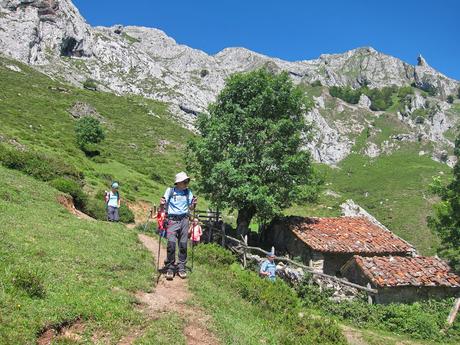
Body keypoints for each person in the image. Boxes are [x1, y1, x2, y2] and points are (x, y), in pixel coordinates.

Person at [160, 172, 197, 280]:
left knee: (183, 244)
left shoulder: (188, 192)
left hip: (184, 220)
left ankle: (181, 267)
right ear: (178, 182)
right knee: (171, 244)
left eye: (187, 181)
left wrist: (194, 204)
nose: (187, 183)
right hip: (172, 220)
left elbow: (191, 208)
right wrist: (162, 202)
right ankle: (170, 267)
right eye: (185, 181)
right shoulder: (170, 191)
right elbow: (163, 203)